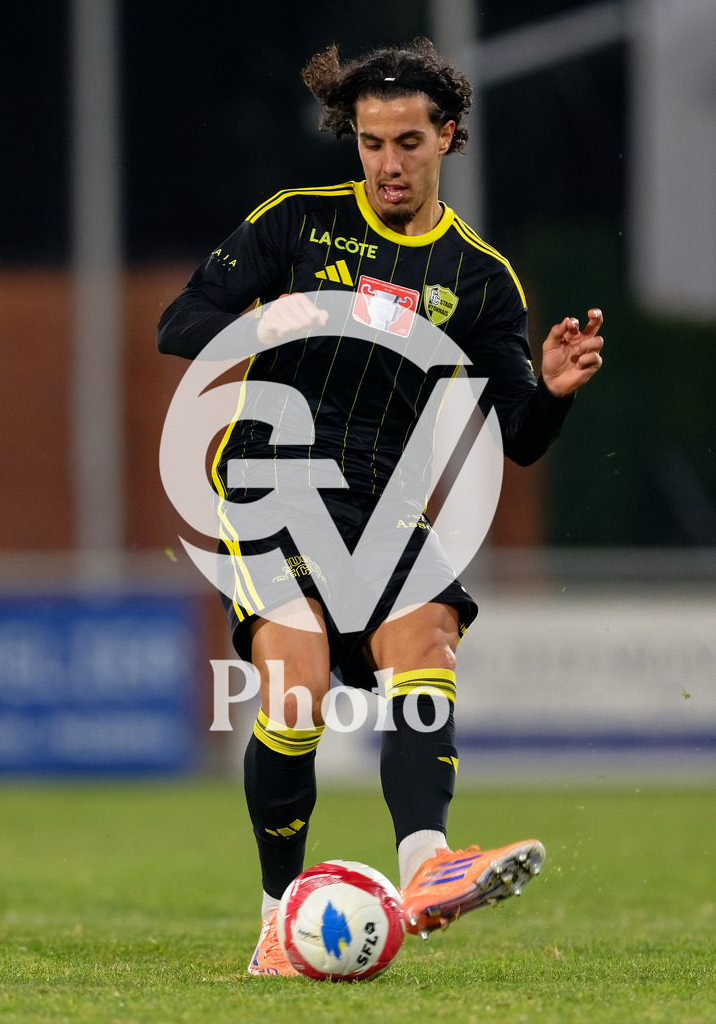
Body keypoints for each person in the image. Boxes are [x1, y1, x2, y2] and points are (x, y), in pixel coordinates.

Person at [157, 38, 603, 976]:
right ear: (351, 142)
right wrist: (262, 320)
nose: (388, 164)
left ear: (449, 137)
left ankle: (430, 868)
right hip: (270, 486)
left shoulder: (479, 279)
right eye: (370, 144)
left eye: (408, 142)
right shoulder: (296, 224)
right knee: (297, 683)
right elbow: (181, 323)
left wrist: (554, 390)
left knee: (427, 634)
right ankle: (279, 919)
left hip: (387, 505)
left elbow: (517, 436)